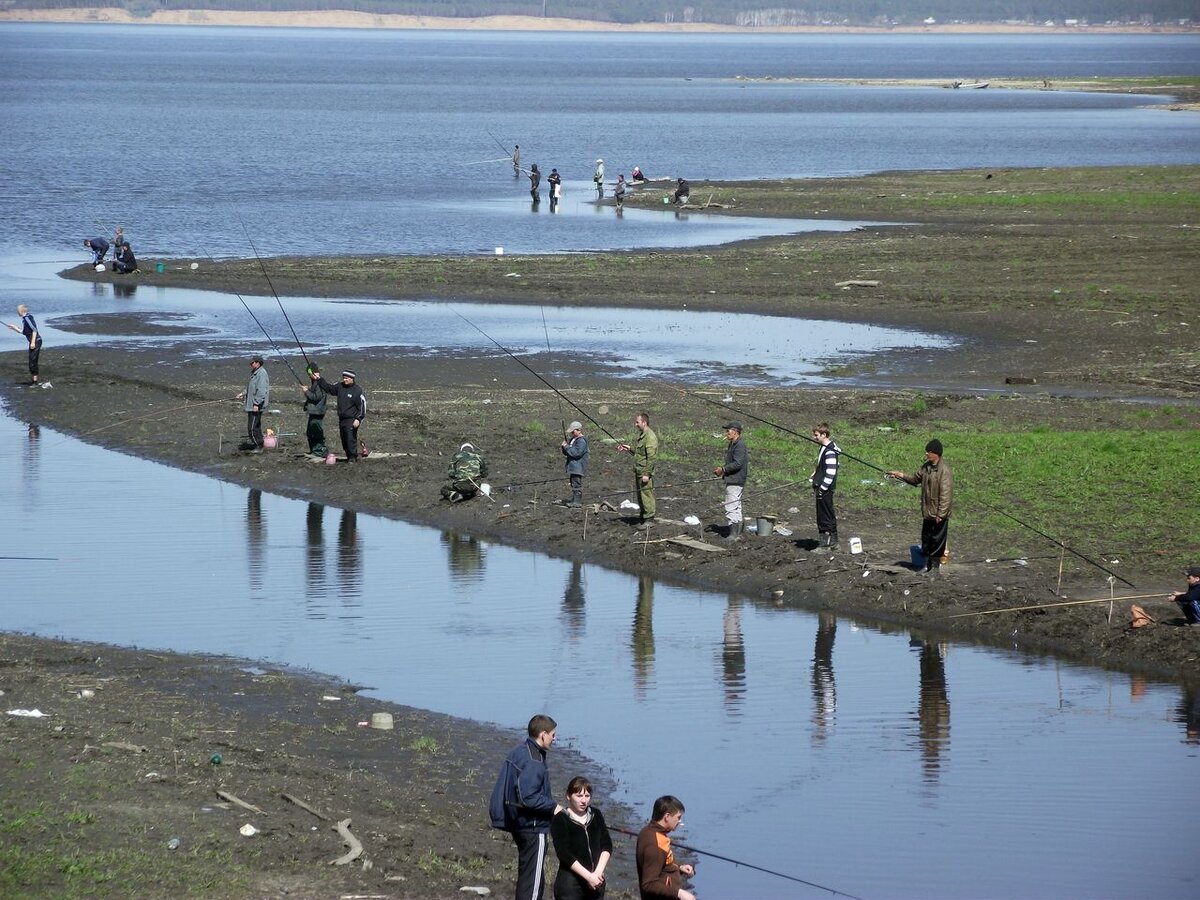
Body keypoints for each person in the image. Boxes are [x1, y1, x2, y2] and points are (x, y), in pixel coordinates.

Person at [490, 714, 560, 900]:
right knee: (533, 884)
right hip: (533, 828)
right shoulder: (534, 760)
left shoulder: (518, 751)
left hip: (518, 825)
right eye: (553, 735)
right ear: (543, 734)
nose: (555, 739)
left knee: (528, 877)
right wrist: (554, 807)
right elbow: (528, 797)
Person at [888, 439, 953, 575]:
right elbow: (914, 479)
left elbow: (946, 496)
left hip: (938, 515)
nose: (926, 454)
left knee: (937, 542)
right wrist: (900, 475)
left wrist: (941, 515)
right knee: (927, 539)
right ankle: (926, 566)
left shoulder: (944, 471)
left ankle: (934, 569)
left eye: (928, 452)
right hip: (928, 513)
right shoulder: (926, 467)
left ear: (936, 453)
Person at [550, 776, 612, 900]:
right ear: (568, 796)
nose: (583, 801)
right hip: (570, 884)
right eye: (579, 796)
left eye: (587, 796)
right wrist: (588, 876)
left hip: (597, 882)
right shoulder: (560, 819)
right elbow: (564, 853)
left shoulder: (596, 815)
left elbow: (606, 844)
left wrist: (597, 873)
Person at [635, 795, 695, 900]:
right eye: (678, 817)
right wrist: (680, 893)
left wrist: (679, 868)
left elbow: (661, 864)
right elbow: (649, 884)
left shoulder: (649, 831)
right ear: (667, 817)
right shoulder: (654, 843)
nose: (680, 822)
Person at [617, 412, 658, 530]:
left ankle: (649, 519)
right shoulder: (643, 435)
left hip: (644, 472)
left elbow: (651, 458)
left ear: (644, 422)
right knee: (641, 496)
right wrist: (629, 449)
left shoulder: (650, 437)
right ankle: (643, 517)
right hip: (639, 471)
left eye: (637, 422)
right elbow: (640, 454)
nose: (635, 424)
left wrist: (647, 474)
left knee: (646, 495)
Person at [317, 369, 367, 463]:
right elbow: (329, 389)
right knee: (344, 439)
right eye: (344, 378)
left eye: (347, 378)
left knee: (350, 438)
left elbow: (362, 406)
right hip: (342, 418)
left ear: (352, 378)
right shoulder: (340, 386)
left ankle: (353, 457)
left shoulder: (357, 390)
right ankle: (349, 455)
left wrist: (358, 419)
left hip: (351, 419)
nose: (345, 380)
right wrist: (320, 379)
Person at [713, 422, 747, 540]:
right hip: (735, 478)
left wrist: (723, 469)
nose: (726, 433)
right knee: (736, 505)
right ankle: (738, 532)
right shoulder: (734, 444)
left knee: (731, 505)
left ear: (735, 432)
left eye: (728, 431)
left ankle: (733, 534)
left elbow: (737, 463)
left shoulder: (739, 445)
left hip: (735, 480)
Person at [811, 423, 841, 548]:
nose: (814, 437)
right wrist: (816, 473)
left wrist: (822, 488)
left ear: (824, 435)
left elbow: (831, 471)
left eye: (816, 435)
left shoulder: (829, 450)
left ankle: (825, 544)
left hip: (825, 489)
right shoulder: (825, 447)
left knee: (825, 515)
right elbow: (826, 466)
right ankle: (833, 543)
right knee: (826, 514)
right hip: (822, 486)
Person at [235, 355, 270, 451]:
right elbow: (251, 387)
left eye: (252, 363)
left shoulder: (261, 373)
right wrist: (243, 393)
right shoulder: (255, 372)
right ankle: (260, 443)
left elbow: (261, 390)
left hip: (256, 406)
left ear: (258, 363)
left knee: (252, 428)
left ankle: (258, 445)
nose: (250, 364)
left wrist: (256, 404)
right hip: (252, 404)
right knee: (256, 426)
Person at [6, 304, 43, 385]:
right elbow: (25, 332)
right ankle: (34, 381)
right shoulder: (25, 318)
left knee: (32, 362)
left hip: (36, 341)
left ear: (21, 311)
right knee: (31, 362)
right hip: (34, 341)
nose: (17, 312)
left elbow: (34, 330)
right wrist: (14, 327)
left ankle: (35, 382)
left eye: (17, 311)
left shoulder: (27, 318)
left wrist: (33, 342)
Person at [299, 364, 327, 457]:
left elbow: (316, 397)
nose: (309, 376)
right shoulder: (315, 382)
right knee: (310, 432)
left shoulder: (319, 383)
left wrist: (306, 391)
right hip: (314, 411)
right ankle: (314, 451)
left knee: (316, 432)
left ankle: (319, 451)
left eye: (309, 374)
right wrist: (308, 390)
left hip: (317, 411)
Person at [561, 421, 588, 508]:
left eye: (573, 431)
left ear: (579, 430)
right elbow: (568, 453)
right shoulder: (573, 440)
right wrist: (564, 447)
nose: (572, 433)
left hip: (578, 466)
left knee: (576, 483)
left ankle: (577, 502)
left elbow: (576, 453)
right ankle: (574, 500)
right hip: (573, 466)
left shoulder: (581, 441)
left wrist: (567, 447)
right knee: (573, 483)